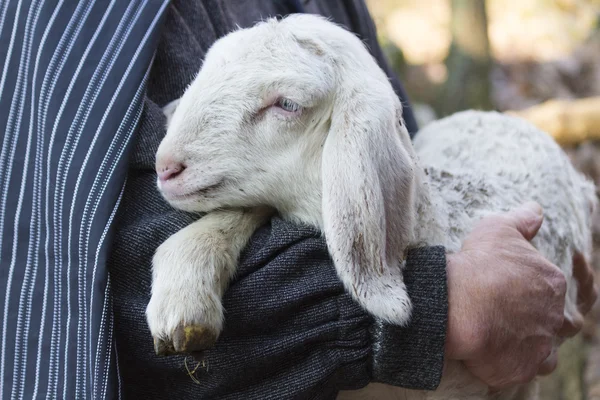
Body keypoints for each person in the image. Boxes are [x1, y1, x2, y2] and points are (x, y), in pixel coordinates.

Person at [0, 0, 596, 399]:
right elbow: (85, 260)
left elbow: (394, 153)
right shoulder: (69, 19)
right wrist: (447, 305)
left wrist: (544, 238)